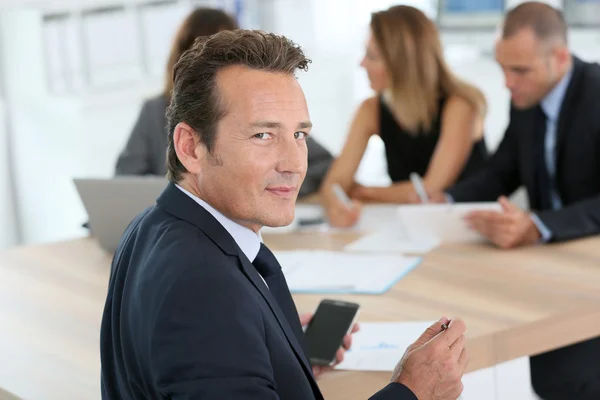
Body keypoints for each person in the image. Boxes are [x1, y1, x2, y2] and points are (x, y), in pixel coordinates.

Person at [100, 29, 468, 400]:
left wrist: (274, 355)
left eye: (299, 135)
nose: (294, 164)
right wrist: (411, 392)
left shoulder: (149, 227)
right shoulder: (205, 287)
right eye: (263, 135)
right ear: (190, 147)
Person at [428, 2, 600, 399]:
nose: (507, 82)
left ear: (560, 58)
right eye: (503, 68)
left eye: (519, 70)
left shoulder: (595, 93)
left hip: (588, 272)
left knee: (571, 379)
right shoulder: (526, 98)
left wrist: (538, 226)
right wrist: (445, 199)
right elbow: (501, 172)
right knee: (551, 374)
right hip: (548, 270)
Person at [114, 7, 333, 197]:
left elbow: (320, 164)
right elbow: (123, 184)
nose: (214, 66)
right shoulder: (153, 111)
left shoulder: (258, 110)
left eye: (226, 55)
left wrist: (275, 189)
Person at [319, 5, 488, 228]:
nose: (362, 64)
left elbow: (431, 188)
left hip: (468, 229)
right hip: (414, 229)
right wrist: (336, 205)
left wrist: (363, 192)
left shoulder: (460, 105)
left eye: (372, 56)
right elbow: (335, 184)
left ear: (403, 64)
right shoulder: (370, 109)